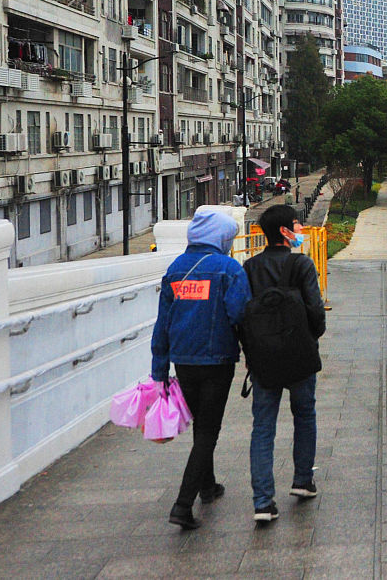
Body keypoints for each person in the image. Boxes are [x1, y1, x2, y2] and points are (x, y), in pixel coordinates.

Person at [151, 208, 251, 530]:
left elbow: (162, 325)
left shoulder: (175, 269)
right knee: (208, 431)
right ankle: (182, 505)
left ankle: (208, 486)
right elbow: (240, 316)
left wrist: (160, 371)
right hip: (218, 361)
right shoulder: (229, 269)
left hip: (184, 362)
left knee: (201, 427)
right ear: (219, 237)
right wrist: (253, 355)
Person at [242, 205, 326, 523]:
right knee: (304, 415)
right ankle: (302, 481)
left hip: (263, 359)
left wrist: (251, 351)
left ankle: (263, 502)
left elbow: (242, 314)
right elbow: (315, 310)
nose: (301, 229)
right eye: (297, 224)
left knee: (262, 427)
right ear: (286, 230)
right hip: (299, 355)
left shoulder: (249, 267)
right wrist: (310, 336)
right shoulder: (301, 263)